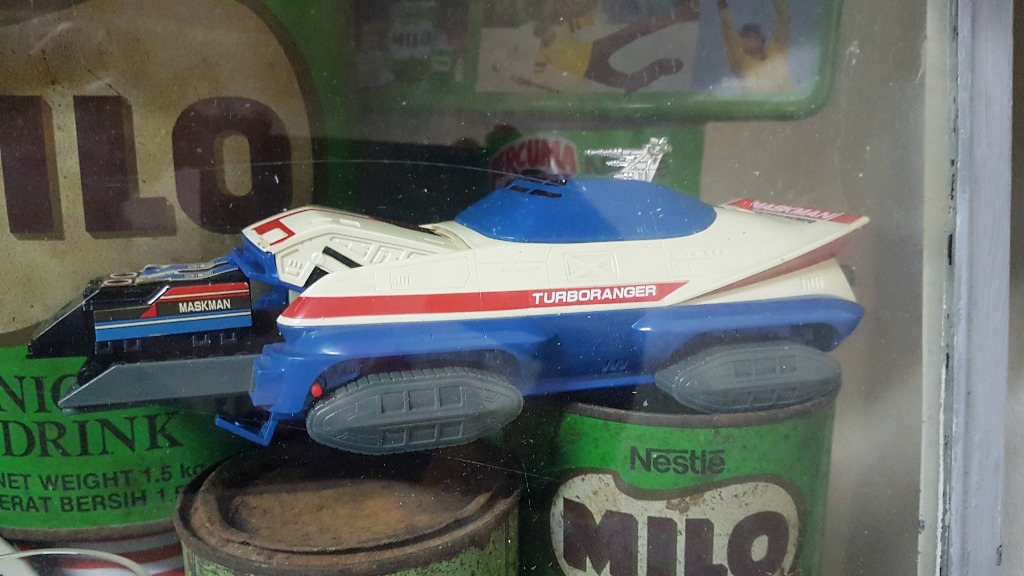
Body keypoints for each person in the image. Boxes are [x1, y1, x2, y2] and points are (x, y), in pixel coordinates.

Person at [530, 4, 699, 94]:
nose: (547, 34)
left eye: (546, 31)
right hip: (590, 70)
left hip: (595, 49)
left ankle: (676, 17)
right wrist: (535, 85)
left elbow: (582, 22)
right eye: (543, 34)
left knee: (630, 32)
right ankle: (659, 68)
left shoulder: (561, 30)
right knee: (627, 84)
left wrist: (595, 15)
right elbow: (537, 73)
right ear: (540, 38)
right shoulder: (543, 53)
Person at [716, 0, 793, 92]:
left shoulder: (777, 50)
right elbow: (728, 30)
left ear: (762, 39)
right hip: (755, 101)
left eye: (753, 34)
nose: (749, 38)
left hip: (788, 100)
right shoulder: (740, 59)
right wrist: (723, 7)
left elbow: (783, 19)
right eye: (745, 35)